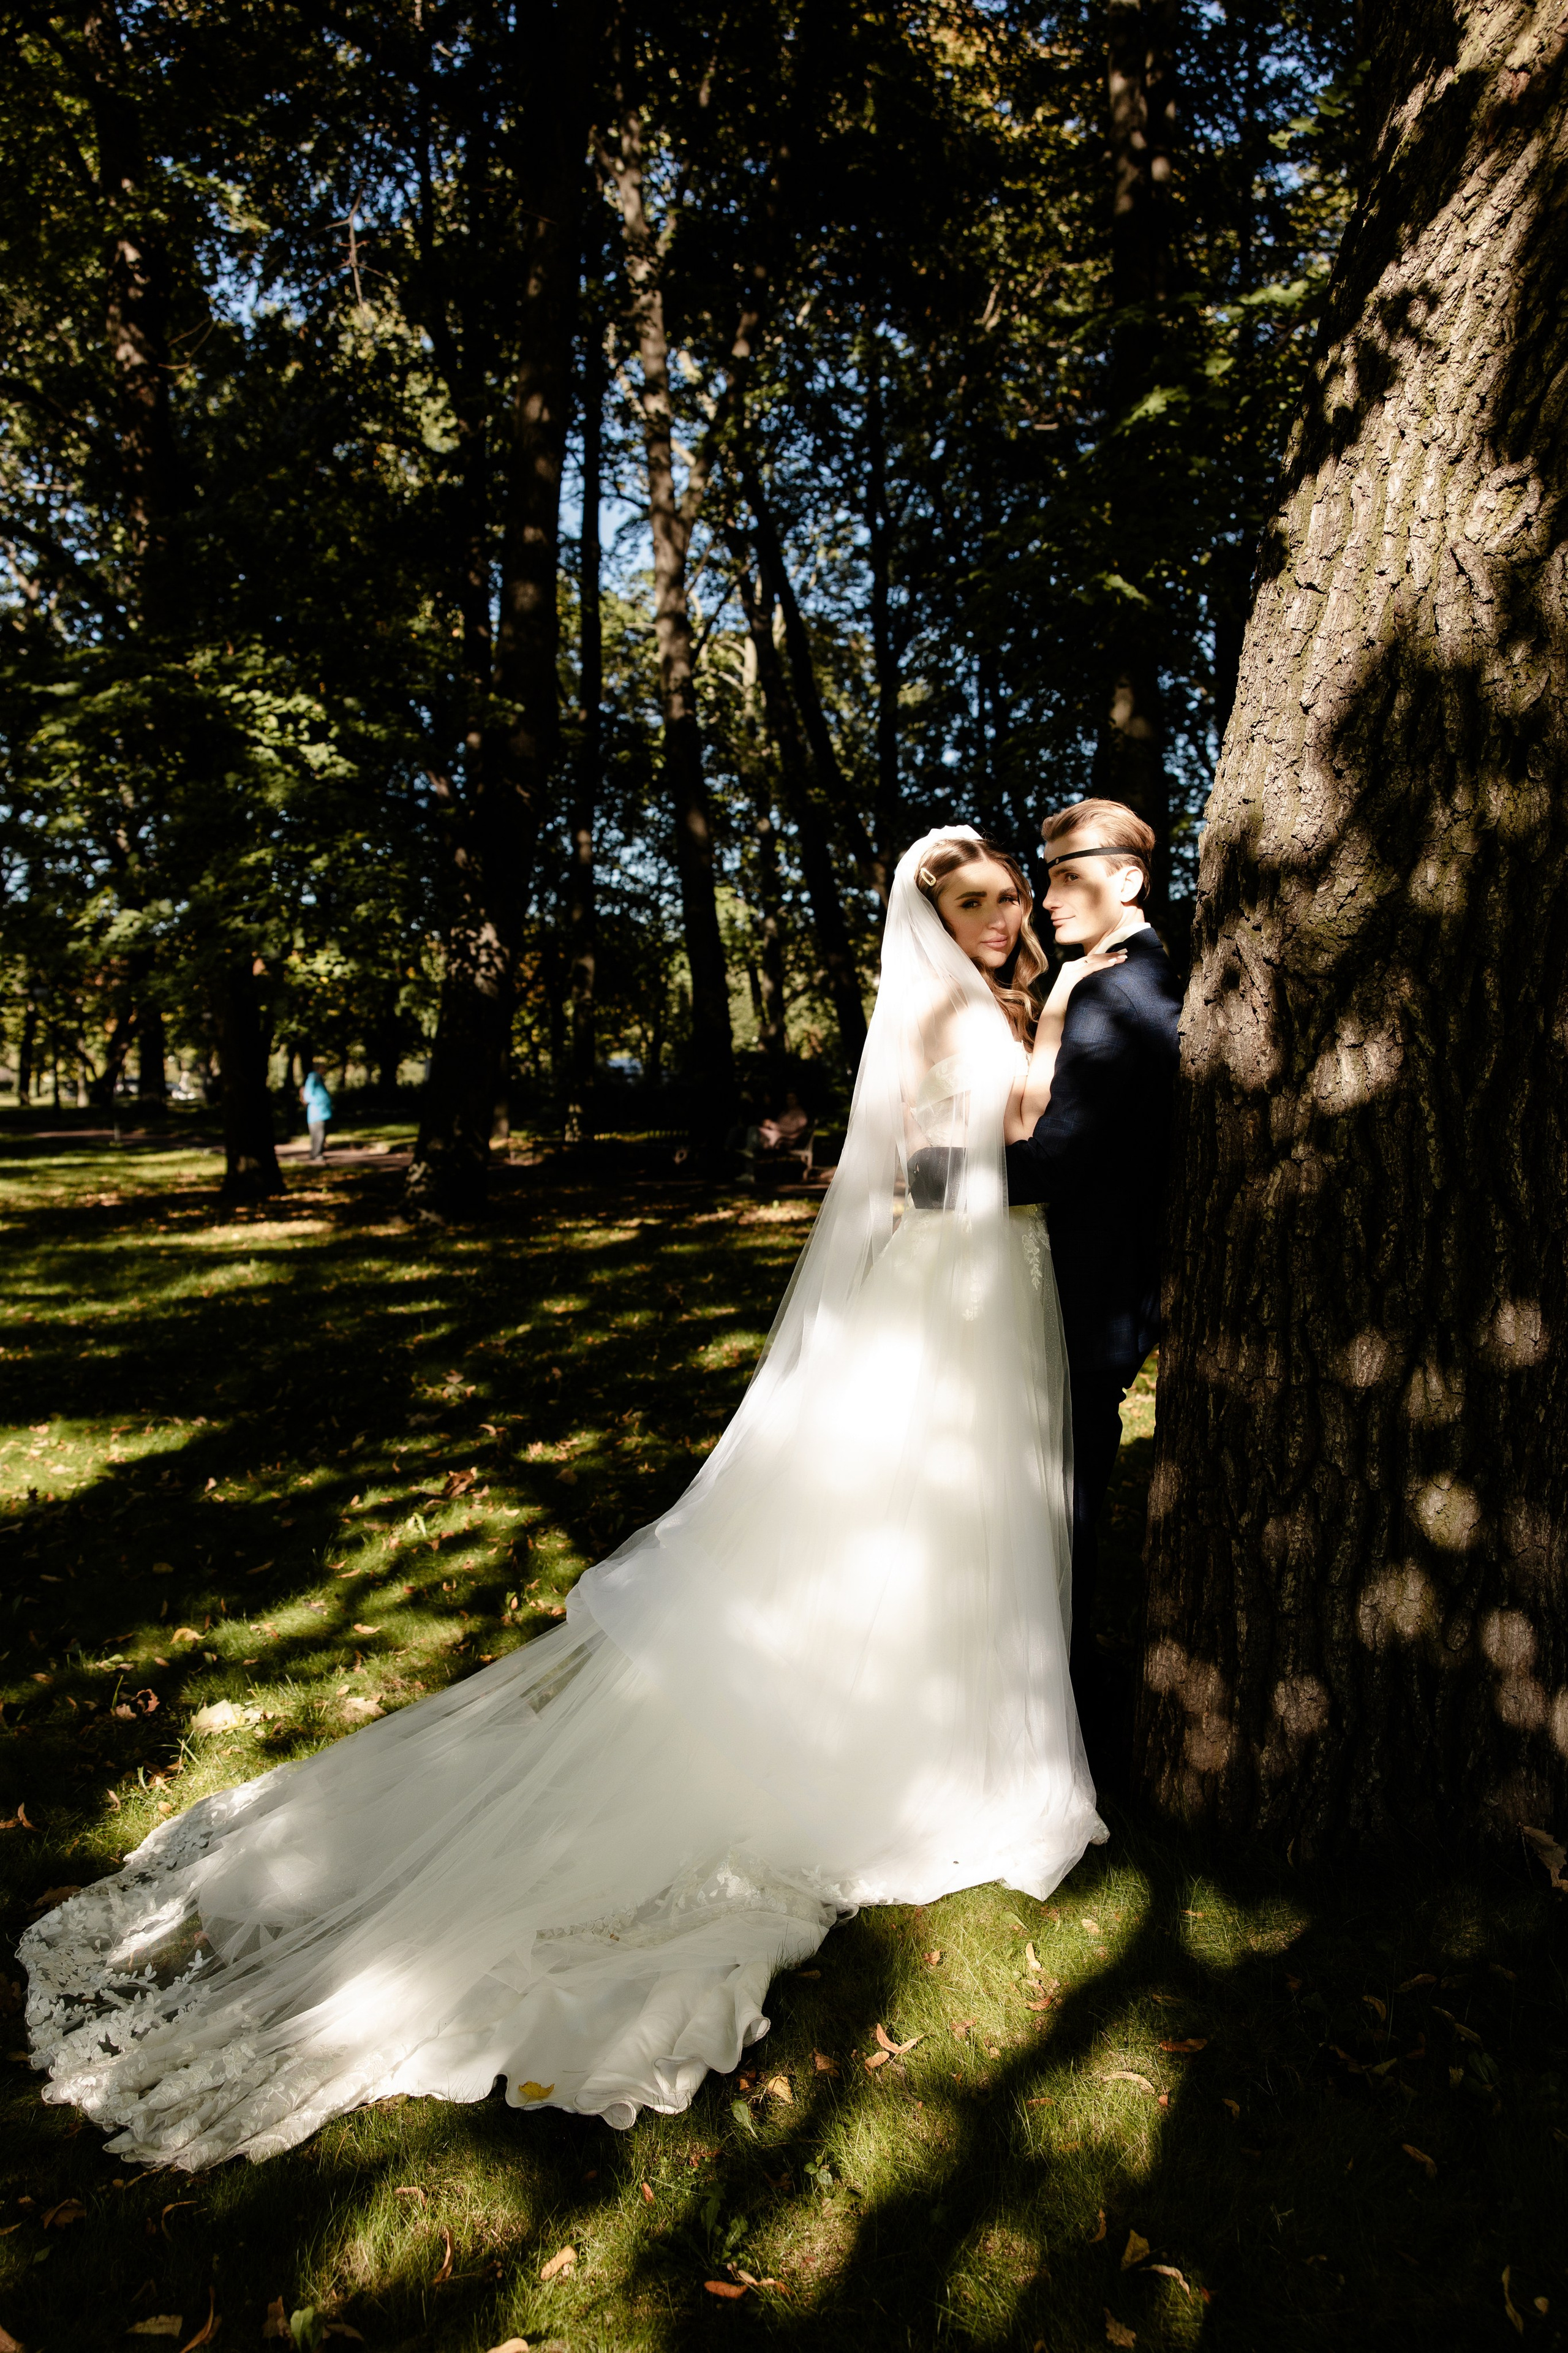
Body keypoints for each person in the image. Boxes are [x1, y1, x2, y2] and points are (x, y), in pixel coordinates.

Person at [20, 830, 1104, 2171]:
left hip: (988, 1287)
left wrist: (1045, 1019)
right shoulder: (937, 1003)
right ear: (931, 916)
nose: (999, 918)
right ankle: (910, 1743)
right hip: (954, 1283)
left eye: (1006, 899)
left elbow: (1007, 1124)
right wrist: (1029, 1078)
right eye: (974, 902)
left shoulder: (987, 998)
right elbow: (925, 1168)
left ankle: (943, 1714)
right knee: (929, 1511)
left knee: (965, 1516)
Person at [1003, 799, 1183, 1773]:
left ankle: (1063, 1725)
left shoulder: (1128, 995)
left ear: (1126, 880)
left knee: (1061, 1511)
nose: (1047, 896)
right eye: (1046, 872)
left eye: (1068, 873)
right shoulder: (1104, 979)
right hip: (1070, 1279)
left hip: (1088, 1292)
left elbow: (1062, 1160)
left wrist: (924, 1183)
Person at [300, 1062, 333, 1161]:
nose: (325, 1070)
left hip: (320, 1112)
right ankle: (317, 1154)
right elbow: (308, 1096)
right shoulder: (313, 1078)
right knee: (318, 1134)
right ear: (318, 1069)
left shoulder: (317, 1078)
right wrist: (321, 1102)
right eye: (323, 1067)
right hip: (317, 1112)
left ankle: (315, 1153)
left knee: (318, 1134)